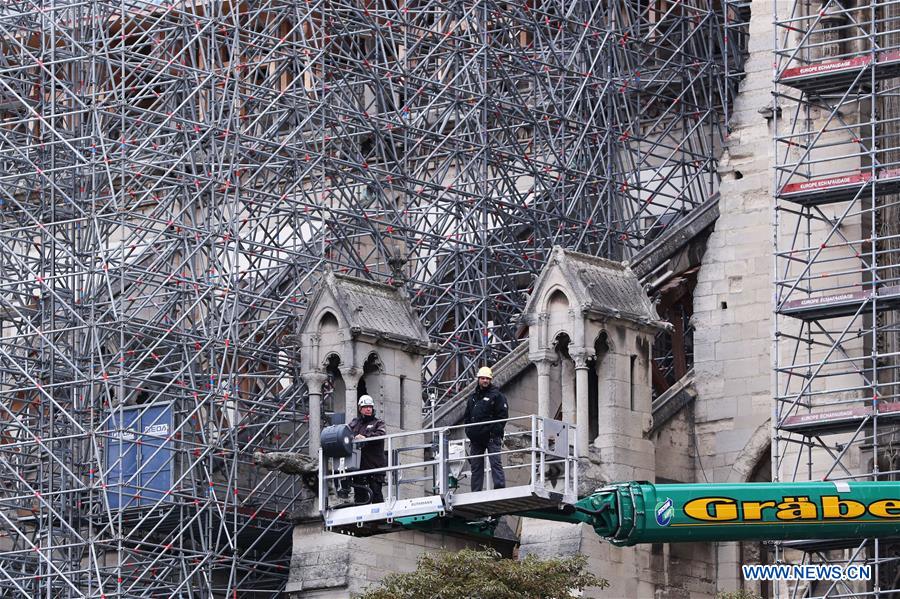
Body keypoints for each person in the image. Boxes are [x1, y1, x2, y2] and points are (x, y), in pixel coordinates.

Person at [463, 366, 508, 491]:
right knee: (476, 466)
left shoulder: (497, 395)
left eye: (487, 378)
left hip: (491, 437)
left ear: (490, 380)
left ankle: (499, 487)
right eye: (483, 378)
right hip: (476, 438)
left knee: (495, 463)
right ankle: (475, 491)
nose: (485, 381)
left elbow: (503, 416)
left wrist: (494, 431)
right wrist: (469, 432)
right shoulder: (472, 398)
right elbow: (467, 416)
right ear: (478, 379)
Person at [343, 395, 387, 503]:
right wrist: (352, 437)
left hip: (374, 467)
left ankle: (379, 519)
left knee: (376, 494)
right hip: (359, 468)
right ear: (360, 409)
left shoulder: (378, 423)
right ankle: (361, 520)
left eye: (370, 407)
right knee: (360, 497)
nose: (368, 409)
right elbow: (345, 434)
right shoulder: (354, 423)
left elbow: (380, 435)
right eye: (365, 407)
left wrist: (365, 438)